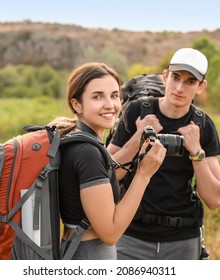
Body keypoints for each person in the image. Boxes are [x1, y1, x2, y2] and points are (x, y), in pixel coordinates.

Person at [107, 48, 220, 260]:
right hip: (131, 235)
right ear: (165, 77)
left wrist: (196, 151)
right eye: (176, 77)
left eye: (190, 82)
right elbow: (106, 175)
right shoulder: (136, 111)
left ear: (201, 86)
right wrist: (138, 137)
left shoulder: (203, 125)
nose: (180, 87)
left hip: (183, 240)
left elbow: (214, 199)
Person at [48, 62, 166, 260]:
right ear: (76, 104)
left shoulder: (76, 141)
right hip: (90, 254)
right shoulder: (87, 152)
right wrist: (144, 174)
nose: (110, 105)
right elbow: (110, 233)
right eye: (97, 96)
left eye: (114, 95)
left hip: (77, 250)